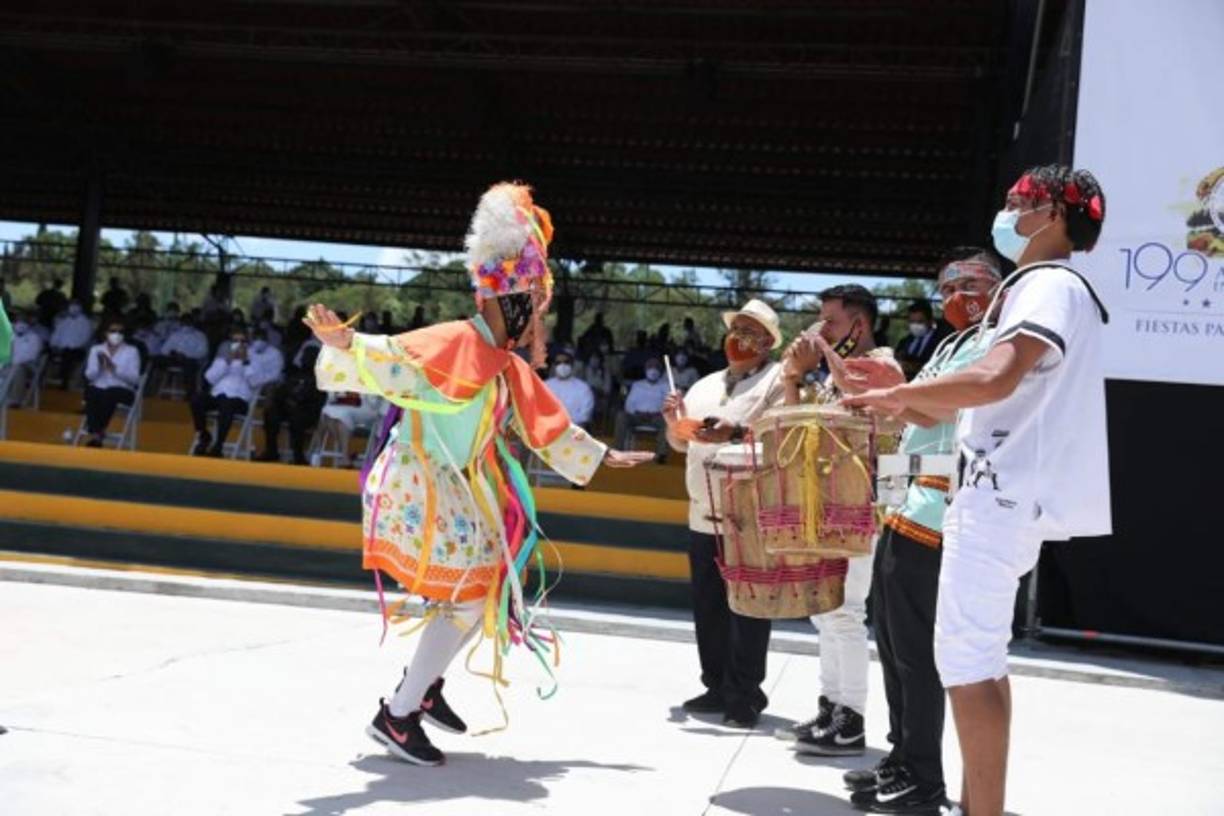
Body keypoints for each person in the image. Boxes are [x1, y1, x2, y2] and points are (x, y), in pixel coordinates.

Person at [307, 182, 652, 767]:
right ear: (502, 300)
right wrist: (346, 342)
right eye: (526, 301)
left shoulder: (502, 365)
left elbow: (546, 422)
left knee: (486, 593)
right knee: (470, 597)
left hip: (458, 485)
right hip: (423, 481)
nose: (531, 314)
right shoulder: (454, 341)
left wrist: (599, 456)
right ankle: (398, 713)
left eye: (534, 302)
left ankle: (420, 686)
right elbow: (387, 356)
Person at [844, 166, 1111, 816]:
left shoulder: (1046, 283)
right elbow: (969, 401)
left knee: (962, 664)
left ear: (1048, 212)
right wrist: (893, 399)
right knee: (980, 662)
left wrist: (897, 393)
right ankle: (976, 803)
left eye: (1016, 201)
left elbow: (994, 376)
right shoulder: (1045, 288)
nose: (1006, 211)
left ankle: (977, 806)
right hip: (997, 493)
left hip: (996, 495)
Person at [835, 249, 1003, 815]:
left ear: (998, 289)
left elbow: (940, 412)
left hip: (939, 510)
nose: (959, 295)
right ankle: (902, 755)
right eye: (948, 286)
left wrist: (897, 389)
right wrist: (887, 391)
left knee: (917, 654)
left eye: (972, 283)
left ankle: (923, 778)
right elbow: (917, 413)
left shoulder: (994, 344)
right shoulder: (950, 345)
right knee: (893, 643)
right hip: (905, 503)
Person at [775, 284, 895, 757]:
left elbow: (851, 411)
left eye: (830, 323)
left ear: (859, 325)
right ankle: (831, 707)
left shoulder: (881, 365)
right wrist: (792, 379)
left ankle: (852, 720)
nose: (819, 331)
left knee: (845, 613)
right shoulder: (829, 375)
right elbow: (793, 422)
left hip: (863, 506)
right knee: (826, 613)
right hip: (828, 505)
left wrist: (812, 364)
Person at [661, 298, 785, 728]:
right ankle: (716, 684)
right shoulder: (704, 385)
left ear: (770, 343)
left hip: (749, 513)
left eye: (751, 333)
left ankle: (745, 693)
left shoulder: (780, 382)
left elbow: (782, 443)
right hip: (703, 508)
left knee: (749, 607)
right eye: (736, 331)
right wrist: (673, 423)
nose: (739, 340)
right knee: (708, 604)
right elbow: (682, 444)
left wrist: (733, 436)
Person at [190, 325, 281, 456]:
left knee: (226, 404)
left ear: (248, 343)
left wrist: (245, 362)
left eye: (242, 341)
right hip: (218, 395)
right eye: (235, 341)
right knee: (196, 400)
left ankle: (218, 446)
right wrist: (227, 361)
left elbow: (255, 381)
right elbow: (210, 378)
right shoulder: (224, 357)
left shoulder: (254, 360)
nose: (239, 344)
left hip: (240, 400)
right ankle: (204, 435)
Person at [258, 335, 325, 465]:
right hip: (288, 406)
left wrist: (297, 401)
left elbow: (317, 400)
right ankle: (271, 451)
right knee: (271, 413)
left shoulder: (321, 378)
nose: (306, 359)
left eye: (310, 356)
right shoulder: (295, 374)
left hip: (307, 411)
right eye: (305, 355)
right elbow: (282, 391)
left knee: (297, 418)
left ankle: (298, 456)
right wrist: (285, 399)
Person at [81, 321, 142, 447]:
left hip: (123, 390)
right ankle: (98, 433)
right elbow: (89, 376)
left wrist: (114, 369)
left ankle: (96, 431)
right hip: (99, 387)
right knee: (91, 392)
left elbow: (134, 379)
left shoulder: (131, 351)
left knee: (109, 394)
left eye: (120, 332)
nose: (117, 334)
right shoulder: (96, 349)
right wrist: (98, 367)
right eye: (113, 331)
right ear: (105, 333)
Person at [614, 357, 670, 462]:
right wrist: (637, 413)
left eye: (656, 367)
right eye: (650, 367)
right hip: (638, 416)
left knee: (667, 423)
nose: (653, 370)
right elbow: (629, 404)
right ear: (645, 370)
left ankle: (661, 455)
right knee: (621, 416)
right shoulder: (637, 385)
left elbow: (669, 405)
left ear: (661, 371)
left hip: (656, 417)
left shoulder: (666, 386)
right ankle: (617, 450)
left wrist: (659, 413)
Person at [158, 313, 210, 398]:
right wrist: (173, 353)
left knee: (190, 366)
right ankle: (151, 389)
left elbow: (203, 352)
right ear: (181, 323)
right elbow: (164, 350)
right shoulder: (175, 334)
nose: (186, 324)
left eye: (188, 322)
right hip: (174, 359)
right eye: (185, 322)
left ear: (192, 323)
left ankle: (190, 394)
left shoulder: (200, 335)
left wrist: (186, 355)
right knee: (156, 360)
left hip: (191, 361)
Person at [895, 300, 947, 380]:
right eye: (912, 321)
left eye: (920, 321)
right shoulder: (904, 342)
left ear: (930, 321)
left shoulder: (941, 342)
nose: (915, 325)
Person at [544, 348, 595, 429]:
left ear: (572, 364)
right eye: (558, 363)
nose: (562, 365)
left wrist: (566, 423)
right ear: (554, 366)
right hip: (550, 430)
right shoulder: (545, 386)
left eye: (566, 362)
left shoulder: (583, 388)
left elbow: (585, 415)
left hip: (574, 431)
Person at [49, 300, 93, 387]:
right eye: (71, 306)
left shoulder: (85, 323)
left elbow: (84, 339)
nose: (73, 308)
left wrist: (70, 347)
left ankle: (64, 381)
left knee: (68, 355)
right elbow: (56, 334)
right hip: (61, 349)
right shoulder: (64, 321)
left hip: (76, 350)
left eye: (76, 306)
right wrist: (54, 344)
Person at [5, 311, 46, 405]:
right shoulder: (9, 336)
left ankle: (15, 400)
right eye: (18, 321)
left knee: (18, 369)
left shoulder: (34, 338)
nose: (20, 324)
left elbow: (31, 355)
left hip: (27, 366)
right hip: (8, 365)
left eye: (23, 322)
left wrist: (14, 363)